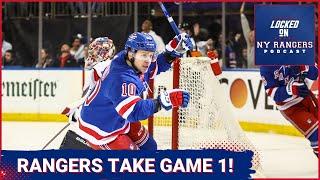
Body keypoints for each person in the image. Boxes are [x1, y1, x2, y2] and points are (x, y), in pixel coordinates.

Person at [68, 32, 192, 150]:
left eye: (150, 55)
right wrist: (164, 100)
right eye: (144, 55)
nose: (148, 60)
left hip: (117, 117)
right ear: (131, 54)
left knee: (150, 147)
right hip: (101, 129)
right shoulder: (120, 78)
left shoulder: (129, 59)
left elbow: (154, 66)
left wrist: (172, 53)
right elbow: (133, 112)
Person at [260, 65, 318, 157]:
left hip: (306, 97)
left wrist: (306, 66)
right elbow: (271, 92)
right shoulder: (266, 66)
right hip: (290, 107)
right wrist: (292, 89)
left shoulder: (296, 53)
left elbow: (314, 73)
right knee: (316, 135)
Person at [240, 2, 256, 68]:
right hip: (250, 72)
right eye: (250, 35)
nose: (251, 37)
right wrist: (244, 2)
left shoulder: (260, 45)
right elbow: (244, 24)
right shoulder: (249, 45)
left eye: (253, 35)